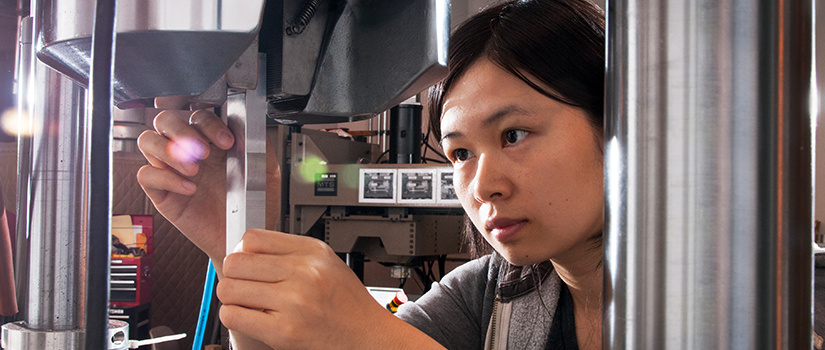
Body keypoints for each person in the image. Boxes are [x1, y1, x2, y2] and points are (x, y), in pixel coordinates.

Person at [136, 0, 605, 348]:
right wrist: (241, 240)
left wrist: (371, 335)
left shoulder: (658, 303)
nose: (482, 186)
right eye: (461, 153)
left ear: (616, 126)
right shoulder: (493, 293)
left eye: (513, 135)